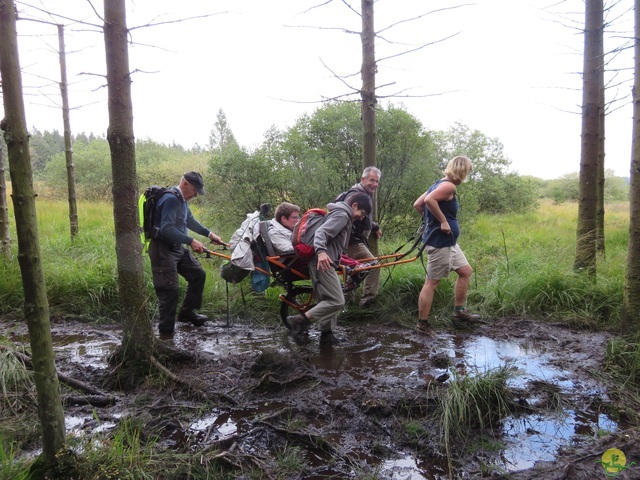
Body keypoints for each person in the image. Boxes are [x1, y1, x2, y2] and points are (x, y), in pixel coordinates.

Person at [287, 193, 373, 346]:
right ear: (354, 206)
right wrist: (321, 253)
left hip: (327, 261)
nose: (361, 218)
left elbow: (334, 243)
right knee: (337, 300)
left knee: (327, 299)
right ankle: (299, 320)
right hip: (322, 262)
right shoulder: (342, 215)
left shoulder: (340, 214)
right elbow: (321, 233)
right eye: (362, 213)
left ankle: (326, 335)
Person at [149, 171, 224, 334]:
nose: (195, 195)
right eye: (194, 190)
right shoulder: (170, 199)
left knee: (198, 274)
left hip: (176, 248)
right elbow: (167, 229)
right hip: (162, 250)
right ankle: (166, 335)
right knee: (170, 291)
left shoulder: (181, 200)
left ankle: (187, 313)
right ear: (185, 184)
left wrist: (210, 234)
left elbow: (189, 221)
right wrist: (190, 241)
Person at [412, 156, 480, 334]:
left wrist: (431, 220)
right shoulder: (448, 185)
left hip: (450, 242)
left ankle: (459, 312)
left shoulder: (437, 184)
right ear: (462, 171)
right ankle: (422, 325)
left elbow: (417, 204)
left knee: (465, 271)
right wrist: (442, 221)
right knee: (431, 283)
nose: (466, 177)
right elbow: (427, 202)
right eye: (467, 172)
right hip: (440, 243)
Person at [338, 166, 383, 307]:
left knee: (354, 269)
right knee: (374, 265)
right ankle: (367, 302)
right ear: (363, 179)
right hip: (352, 240)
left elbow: (364, 218)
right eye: (371, 180)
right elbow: (347, 215)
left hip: (349, 240)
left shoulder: (364, 193)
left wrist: (375, 227)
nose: (374, 184)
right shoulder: (356, 195)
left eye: (376, 181)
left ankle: (345, 302)